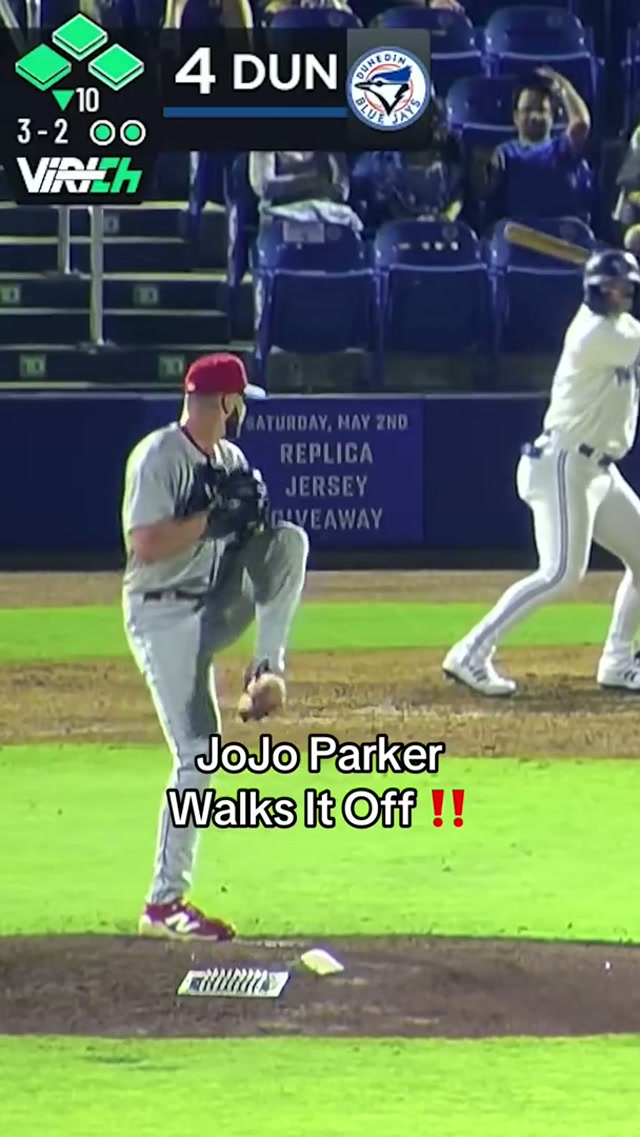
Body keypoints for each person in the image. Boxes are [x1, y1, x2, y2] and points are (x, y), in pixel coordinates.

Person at [121, 353, 309, 939]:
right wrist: (211, 520)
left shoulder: (231, 459)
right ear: (225, 402)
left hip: (213, 601)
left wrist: (248, 520)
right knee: (199, 755)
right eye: (240, 400)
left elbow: (252, 537)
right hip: (163, 615)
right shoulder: (159, 456)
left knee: (288, 543)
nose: (243, 410)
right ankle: (164, 902)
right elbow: (145, 544)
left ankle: (265, 670)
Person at [442, 250, 640, 696]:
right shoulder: (594, 333)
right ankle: (470, 652)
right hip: (564, 463)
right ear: (594, 289)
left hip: (599, 470)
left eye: (622, 286)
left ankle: (618, 661)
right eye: (610, 286)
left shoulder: (626, 329)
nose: (616, 293)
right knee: (561, 573)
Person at [485, 70, 592, 225]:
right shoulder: (503, 152)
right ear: (515, 117)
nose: (534, 116)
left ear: (552, 116)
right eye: (527, 110)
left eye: (541, 110)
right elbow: (484, 187)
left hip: (561, 237)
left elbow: (581, 124)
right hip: (516, 237)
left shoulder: (562, 148)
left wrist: (563, 86)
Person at [351, 98, 464, 231]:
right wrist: (412, 224)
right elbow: (386, 203)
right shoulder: (379, 163)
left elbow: (458, 196)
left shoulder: (450, 165)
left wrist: (446, 218)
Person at [248, 151, 362, 232]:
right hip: (279, 214)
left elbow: (341, 191)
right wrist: (314, 181)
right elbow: (264, 187)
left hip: (325, 215)